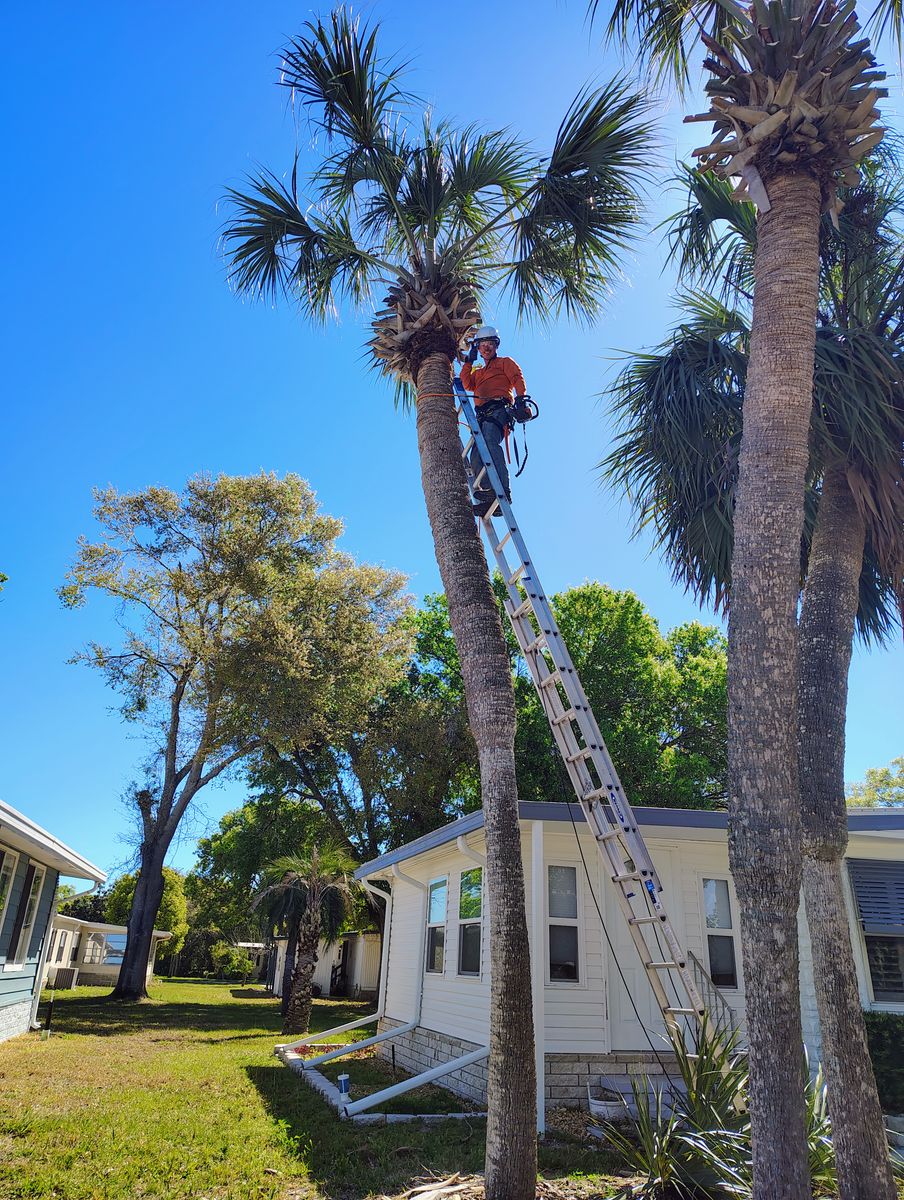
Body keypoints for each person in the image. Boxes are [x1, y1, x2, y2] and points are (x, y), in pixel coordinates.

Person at [460, 325, 528, 516]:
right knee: (475, 454)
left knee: (490, 440)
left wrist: (521, 400)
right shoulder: (479, 372)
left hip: (499, 409)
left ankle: (502, 491)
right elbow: (466, 383)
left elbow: (517, 378)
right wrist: (469, 361)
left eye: (490, 344)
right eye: (482, 345)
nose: (486, 348)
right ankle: (489, 494)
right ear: (478, 349)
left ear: (496, 345)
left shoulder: (505, 363)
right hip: (482, 415)